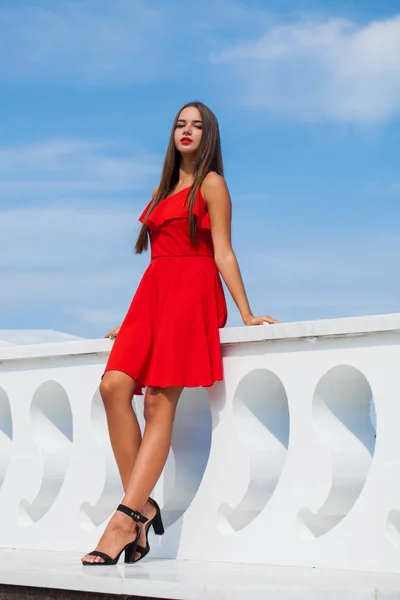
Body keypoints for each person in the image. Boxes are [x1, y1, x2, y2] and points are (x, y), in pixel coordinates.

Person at [82, 101, 278, 565]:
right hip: (152, 296)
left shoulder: (213, 185)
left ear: (208, 136)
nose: (186, 131)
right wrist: (133, 320)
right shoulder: (161, 188)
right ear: (172, 134)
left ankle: (122, 520)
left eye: (197, 126)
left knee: (156, 402)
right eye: (179, 124)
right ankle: (143, 507)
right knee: (113, 387)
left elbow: (223, 252)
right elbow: (158, 260)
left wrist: (246, 313)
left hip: (192, 295)